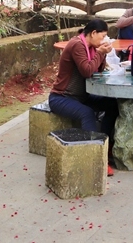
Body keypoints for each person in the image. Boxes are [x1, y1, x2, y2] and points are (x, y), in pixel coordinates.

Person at [48, 19, 119, 175]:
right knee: (86, 113)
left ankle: (105, 147)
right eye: (103, 36)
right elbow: (87, 71)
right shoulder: (77, 45)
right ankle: (95, 159)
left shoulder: (91, 46)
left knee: (112, 104)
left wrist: (102, 54)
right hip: (61, 97)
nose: (104, 40)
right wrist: (100, 52)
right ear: (93, 33)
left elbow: (97, 69)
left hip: (81, 96)